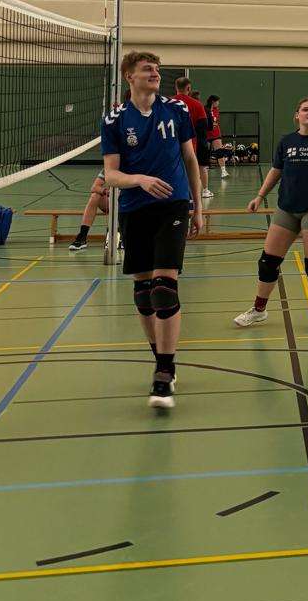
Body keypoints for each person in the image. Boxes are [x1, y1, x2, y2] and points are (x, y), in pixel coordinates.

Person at [101, 51, 203, 410]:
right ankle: (161, 359)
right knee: (144, 294)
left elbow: (190, 159)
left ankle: (163, 372)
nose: (155, 73)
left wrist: (198, 207)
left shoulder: (176, 109)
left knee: (163, 288)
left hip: (172, 205)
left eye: (157, 69)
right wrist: (140, 180)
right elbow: (110, 174)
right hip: (135, 208)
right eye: (148, 69)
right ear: (130, 76)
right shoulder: (115, 119)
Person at [233, 97, 308, 334]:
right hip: (287, 208)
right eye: (305, 109)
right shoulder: (287, 141)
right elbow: (276, 172)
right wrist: (259, 196)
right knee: (267, 262)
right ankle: (259, 309)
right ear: (297, 115)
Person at [174, 76, 212, 201]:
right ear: (188, 88)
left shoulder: (168, 104)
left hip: (171, 147)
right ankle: (193, 198)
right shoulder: (197, 105)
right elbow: (203, 127)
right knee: (193, 172)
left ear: (176, 87)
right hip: (192, 146)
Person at [68, 171, 109, 252]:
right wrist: (106, 191)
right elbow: (94, 187)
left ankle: (120, 236)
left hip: (129, 203)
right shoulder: (108, 168)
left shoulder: (133, 167)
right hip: (113, 202)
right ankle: (82, 236)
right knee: (95, 195)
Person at [205, 94, 233, 180]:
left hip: (216, 134)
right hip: (206, 134)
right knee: (205, 153)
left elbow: (215, 121)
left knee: (219, 152)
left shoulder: (216, 110)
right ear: (213, 101)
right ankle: (203, 170)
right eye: (217, 101)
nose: (218, 103)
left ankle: (223, 171)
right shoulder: (205, 109)